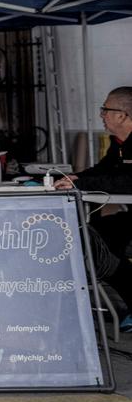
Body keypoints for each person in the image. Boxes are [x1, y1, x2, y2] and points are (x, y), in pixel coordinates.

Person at [56, 86, 132, 328]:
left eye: (105, 110)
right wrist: (72, 178)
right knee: (95, 237)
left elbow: (127, 181)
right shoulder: (119, 144)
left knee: (99, 244)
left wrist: (83, 182)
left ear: (122, 115)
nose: (102, 115)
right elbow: (103, 171)